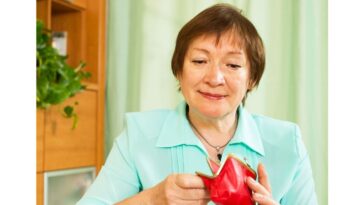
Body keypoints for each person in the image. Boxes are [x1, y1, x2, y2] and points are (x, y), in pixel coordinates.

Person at [77, 3, 318, 205]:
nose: (214, 78)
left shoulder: (287, 142)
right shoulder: (139, 134)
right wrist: (152, 199)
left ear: (252, 79)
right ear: (179, 71)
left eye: (232, 65)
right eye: (200, 60)